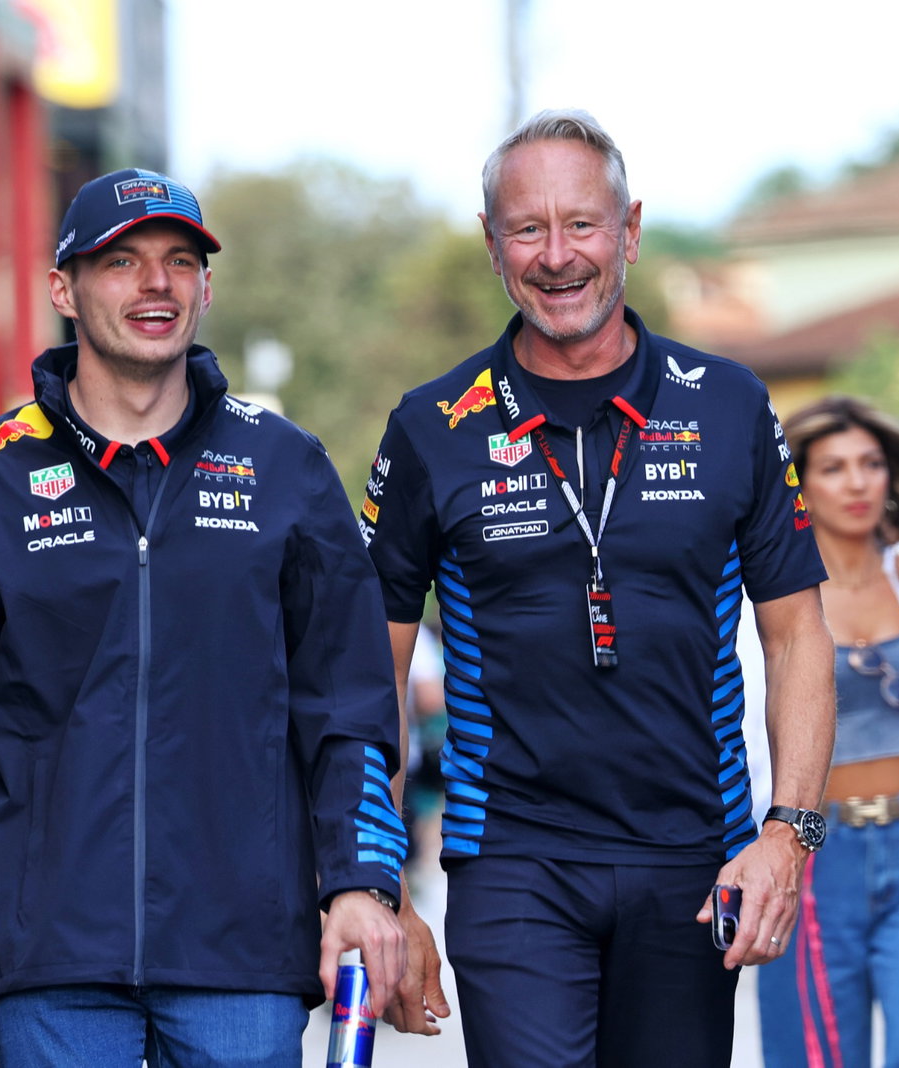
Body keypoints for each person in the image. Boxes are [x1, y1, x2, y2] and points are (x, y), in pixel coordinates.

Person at [0, 168, 408, 1068]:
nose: (156, 284)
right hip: (45, 968)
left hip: (242, 965)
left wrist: (361, 882)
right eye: (121, 262)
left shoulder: (288, 467)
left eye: (179, 262)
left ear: (207, 287)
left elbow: (349, 710)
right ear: (65, 290)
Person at [362, 109, 835, 1066]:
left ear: (630, 229)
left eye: (581, 223)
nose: (556, 255)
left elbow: (797, 636)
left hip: (694, 854)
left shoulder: (730, 402)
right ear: (494, 248)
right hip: (512, 861)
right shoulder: (430, 428)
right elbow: (376, 665)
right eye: (526, 229)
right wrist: (377, 880)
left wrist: (788, 831)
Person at [756, 396, 899, 1068]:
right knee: (814, 1056)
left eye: (870, 464)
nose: (858, 483)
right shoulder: (767, 594)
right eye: (833, 468)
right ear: (798, 481)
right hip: (813, 854)